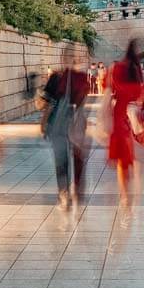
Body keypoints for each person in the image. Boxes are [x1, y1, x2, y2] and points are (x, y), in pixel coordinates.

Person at [40, 65, 90, 206]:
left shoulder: (56, 78)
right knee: (76, 158)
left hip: (58, 126)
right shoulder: (79, 79)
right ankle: (76, 188)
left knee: (61, 161)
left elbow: (47, 105)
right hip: (76, 125)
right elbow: (84, 103)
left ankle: (64, 192)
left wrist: (43, 124)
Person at [109, 40, 144, 204]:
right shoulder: (137, 69)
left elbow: (112, 88)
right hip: (132, 113)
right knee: (129, 156)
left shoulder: (118, 67)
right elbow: (140, 93)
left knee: (122, 158)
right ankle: (127, 192)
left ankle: (124, 194)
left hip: (120, 112)